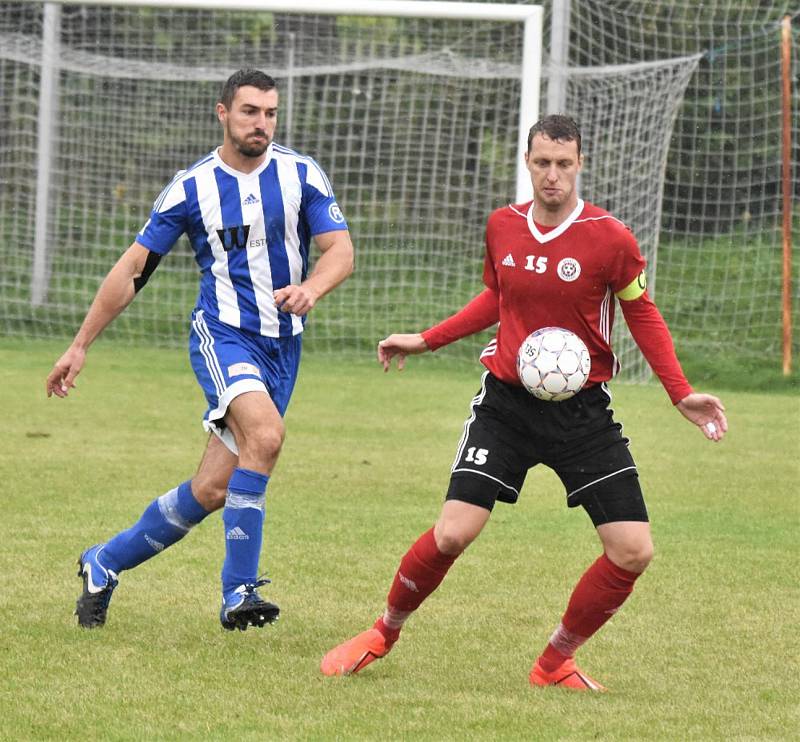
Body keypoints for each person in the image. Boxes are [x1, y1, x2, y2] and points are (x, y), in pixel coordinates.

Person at [320, 114, 727, 690]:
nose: (552, 176)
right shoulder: (502, 227)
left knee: (633, 550)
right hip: (505, 405)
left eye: (563, 164)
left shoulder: (611, 239)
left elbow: (641, 311)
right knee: (452, 533)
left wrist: (680, 393)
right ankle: (383, 632)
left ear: (580, 164)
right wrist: (428, 339)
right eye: (542, 163)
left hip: (582, 412)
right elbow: (496, 296)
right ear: (528, 163)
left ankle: (555, 661)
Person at [46, 68, 354, 631]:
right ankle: (238, 592)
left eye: (270, 112)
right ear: (222, 113)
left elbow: (340, 250)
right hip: (223, 336)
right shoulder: (192, 188)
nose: (261, 123)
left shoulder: (301, 173)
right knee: (265, 436)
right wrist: (79, 343)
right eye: (249, 112)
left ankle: (103, 562)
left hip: (283, 348)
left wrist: (312, 287)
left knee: (213, 488)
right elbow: (133, 269)